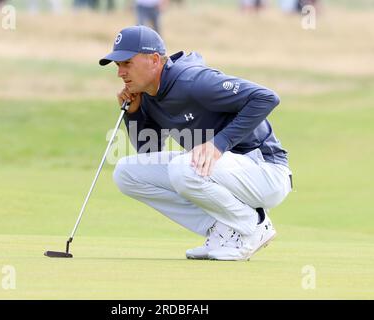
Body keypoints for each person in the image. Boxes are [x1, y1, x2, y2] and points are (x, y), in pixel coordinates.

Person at [99, 26, 293, 261]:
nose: (120, 73)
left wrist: (218, 144)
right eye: (118, 65)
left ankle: (254, 225)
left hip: (266, 170)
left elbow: (266, 98)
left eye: (127, 63)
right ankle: (222, 231)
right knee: (127, 172)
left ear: (153, 60)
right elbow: (148, 153)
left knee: (183, 167)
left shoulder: (193, 81)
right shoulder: (148, 96)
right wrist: (134, 114)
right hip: (221, 172)